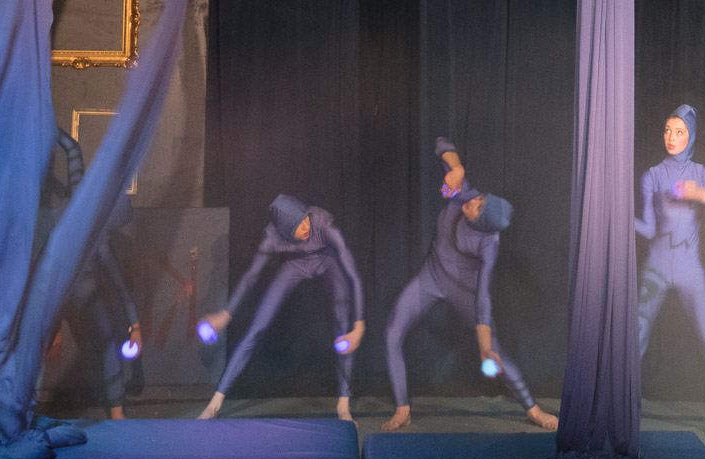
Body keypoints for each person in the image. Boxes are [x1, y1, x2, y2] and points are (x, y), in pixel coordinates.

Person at [380, 138, 556, 433]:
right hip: (431, 277)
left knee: (496, 354)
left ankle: (533, 409)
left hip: (466, 293)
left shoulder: (489, 244)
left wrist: (485, 348)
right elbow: (441, 144)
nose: (473, 202)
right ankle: (402, 410)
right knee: (391, 333)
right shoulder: (463, 194)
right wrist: (457, 168)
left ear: (483, 225)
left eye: (478, 207)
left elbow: (483, 297)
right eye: (480, 198)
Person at [198, 194, 365, 421]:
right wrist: (226, 314)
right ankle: (215, 404)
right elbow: (250, 277)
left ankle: (343, 406)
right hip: (296, 265)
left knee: (343, 322)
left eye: (305, 219)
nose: (306, 226)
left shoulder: (322, 226)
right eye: (298, 226)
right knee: (256, 328)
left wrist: (359, 325)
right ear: (286, 231)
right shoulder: (273, 237)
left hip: (328, 261)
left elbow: (353, 275)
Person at [636, 104, 705, 419]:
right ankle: (619, 410)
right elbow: (648, 228)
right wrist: (618, 215)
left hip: (689, 269)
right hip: (657, 266)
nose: (671, 137)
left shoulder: (702, 173)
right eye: (668, 131)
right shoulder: (653, 175)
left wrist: (702, 195)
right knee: (636, 342)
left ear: (690, 136)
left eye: (679, 132)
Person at [46, 130, 141, 422]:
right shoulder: (77, 196)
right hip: (55, 292)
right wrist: (39, 120)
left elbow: (119, 285)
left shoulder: (98, 238)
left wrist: (135, 326)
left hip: (83, 296)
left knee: (109, 345)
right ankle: (11, 403)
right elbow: (72, 148)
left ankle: (117, 410)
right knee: (31, 345)